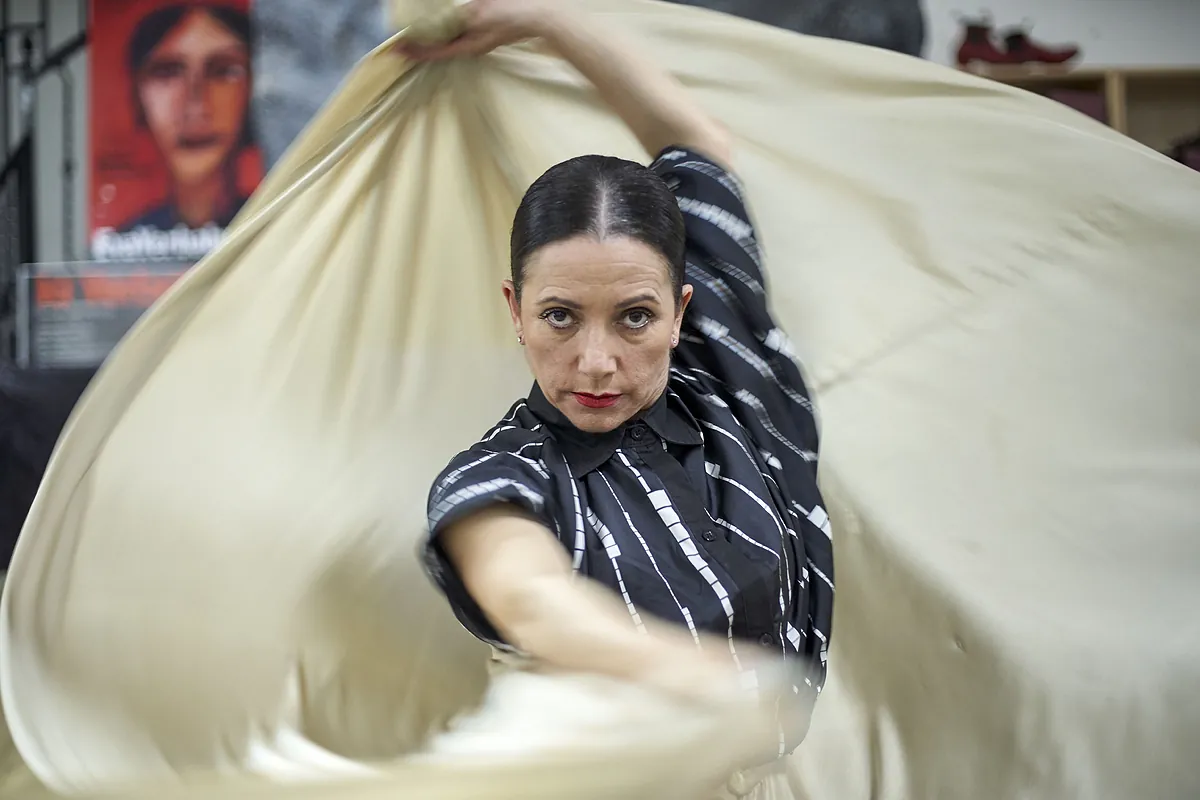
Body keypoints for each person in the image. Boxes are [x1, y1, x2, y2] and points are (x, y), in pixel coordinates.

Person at [402, 0, 834, 782]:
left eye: (634, 318)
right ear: (515, 311)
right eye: (559, 318)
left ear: (682, 311)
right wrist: (690, 675)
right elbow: (532, 597)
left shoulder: (728, 380)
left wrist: (546, 20)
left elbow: (696, 143)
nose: (596, 362)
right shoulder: (502, 478)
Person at [119, 3, 254, 233]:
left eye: (223, 71)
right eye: (168, 72)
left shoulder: (279, 228)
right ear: (137, 96)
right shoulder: (122, 247)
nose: (195, 106)